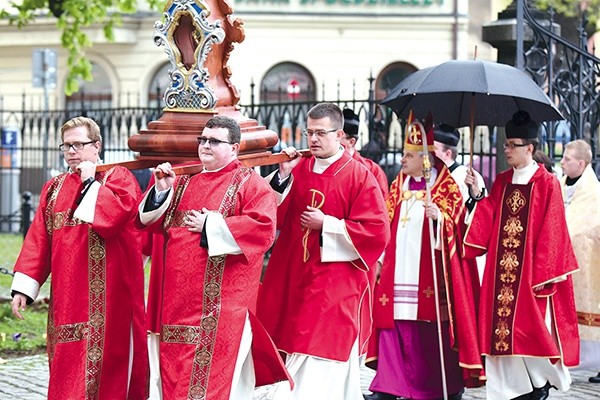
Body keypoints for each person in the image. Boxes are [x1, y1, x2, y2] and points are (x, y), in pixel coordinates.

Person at [138, 115, 291, 399]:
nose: (205, 146)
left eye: (214, 141)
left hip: (220, 308)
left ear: (234, 147)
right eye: (203, 140)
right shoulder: (183, 181)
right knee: (175, 380)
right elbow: (149, 223)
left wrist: (212, 225)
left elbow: (263, 230)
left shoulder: (250, 183)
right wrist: (161, 191)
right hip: (178, 304)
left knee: (209, 385)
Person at [257, 102, 390, 399]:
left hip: (334, 281)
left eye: (320, 133)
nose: (313, 139)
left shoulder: (358, 175)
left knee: (316, 345)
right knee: (291, 341)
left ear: (339, 134)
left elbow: (376, 231)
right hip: (295, 273)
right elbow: (269, 212)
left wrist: (328, 224)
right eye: (309, 133)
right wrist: (282, 176)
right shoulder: (299, 167)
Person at [10, 116, 149, 399]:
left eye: (79, 144)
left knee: (109, 368)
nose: (72, 151)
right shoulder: (54, 188)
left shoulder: (118, 178)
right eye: (66, 146)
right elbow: (39, 239)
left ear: (97, 146)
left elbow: (114, 217)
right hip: (68, 296)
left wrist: (89, 183)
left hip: (111, 298)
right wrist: (25, 287)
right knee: (68, 365)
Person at [464, 110, 580, 400]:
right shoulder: (502, 181)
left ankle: (539, 383)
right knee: (500, 331)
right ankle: (512, 389)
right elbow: (488, 218)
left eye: (512, 145)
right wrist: (478, 193)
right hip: (499, 273)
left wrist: (541, 275)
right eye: (505, 145)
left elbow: (553, 230)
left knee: (530, 332)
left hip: (529, 274)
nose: (507, 150)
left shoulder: (547, 182)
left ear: (529, 148)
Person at [366, 117, 483, 400]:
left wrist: (439, 220)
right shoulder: (398, 183)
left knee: (430, 331)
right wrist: (380, 258)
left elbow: (460, 224)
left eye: (408, 155)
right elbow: (385, 221)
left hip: (429, 273)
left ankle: (442, 386)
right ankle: (389, 386)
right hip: (398, 268)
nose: (402, 159)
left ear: (424, 159)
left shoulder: (445, 186)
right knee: (392, 324)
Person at [560, 139, 600, 383]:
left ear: (581, 163)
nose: (562, 163)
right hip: (560, 262)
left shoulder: (595, 194)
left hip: (587, 264)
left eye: (567, 159)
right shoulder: (557, 185)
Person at [433, 123, 486, 204]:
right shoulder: (429, 174)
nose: (428, 153)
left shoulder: (466, 176)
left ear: (447, 154)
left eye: (433, 149)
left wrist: (474, 192)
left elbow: (482, 210)